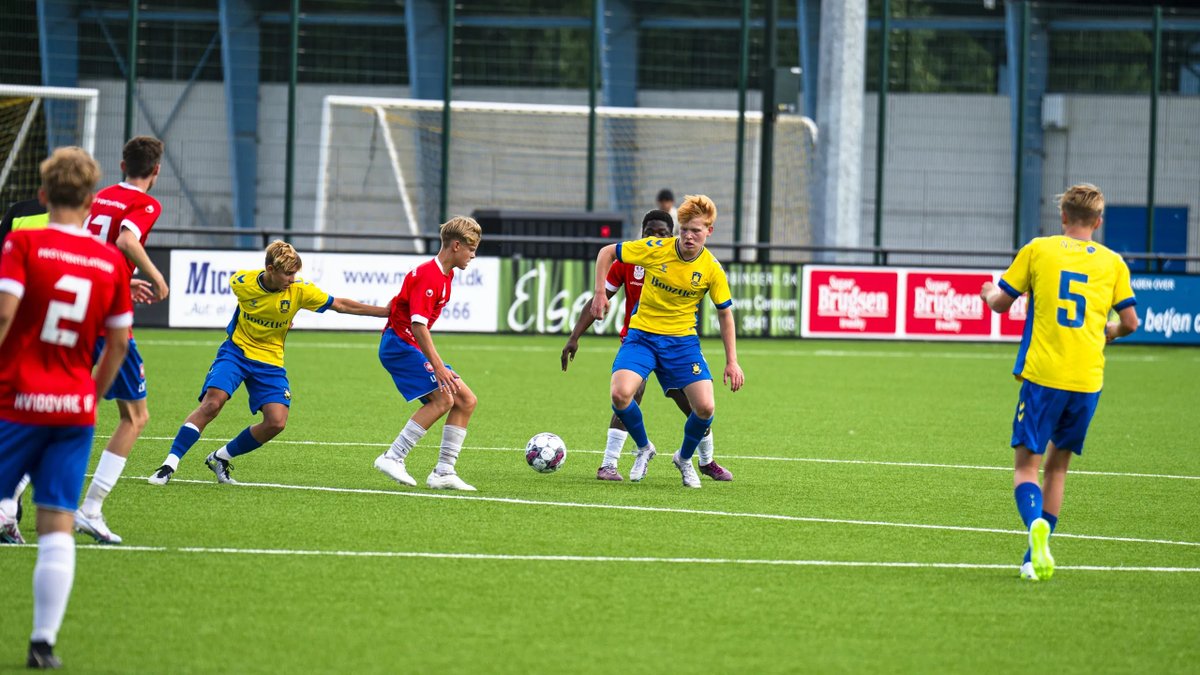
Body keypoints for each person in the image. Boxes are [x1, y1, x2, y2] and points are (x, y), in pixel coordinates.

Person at [0, 146, 133, 669]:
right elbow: (118, 345)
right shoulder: (108, 261)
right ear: (92, 199)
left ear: (41, 194)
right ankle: (42, 643)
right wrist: (89, 395)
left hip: (16, 400)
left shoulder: (22, 243)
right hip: (73, 408)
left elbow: (5, 315)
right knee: (56, 521)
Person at [980, 183, 1139, 582]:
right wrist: (1111, 331)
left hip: (1043, 376)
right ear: (1098, 222)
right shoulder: (1113, 262)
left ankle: (1034, 526)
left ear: (1063, 217)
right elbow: (1132, 323)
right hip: (1087, 381)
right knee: (1058, 469)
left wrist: (986, 292)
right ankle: (1033, 557)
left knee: (1025, 468)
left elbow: (1001, 303)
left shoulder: (1039, 249)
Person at [148, 240, 389, 485]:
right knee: (212, 404)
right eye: (288, 273)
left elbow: (340, 305)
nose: (293, 279)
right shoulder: (242, 283)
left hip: (270, 361)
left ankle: (220, 458)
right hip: (236, 353)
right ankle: (169, 465)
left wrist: (385, 312)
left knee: (276, 422)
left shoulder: (300, 290)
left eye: (296, 273)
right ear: (270, 269)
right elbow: (245, 308)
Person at [563, 209, 732, 482]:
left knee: (697, 406)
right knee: (626, 394)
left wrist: (732, 360)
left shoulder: (704, 265)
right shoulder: (637, 257)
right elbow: (600, 297)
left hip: (678, 342)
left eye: (660, 233)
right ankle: (611, 462)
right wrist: (575, 336)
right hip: (639, 336)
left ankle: (704, 459)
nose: (654, 237)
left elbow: (725, 312)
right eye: (649, 232)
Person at [72, 136, 170, 544]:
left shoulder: (102, 197)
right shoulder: (146, 204)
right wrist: (155, 274)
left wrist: (122, 277)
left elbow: (89, 245)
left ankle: (8, 504)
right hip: (107, 317)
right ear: (156, 170)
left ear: (121, 163)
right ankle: (91, 508)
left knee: (60, 403)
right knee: (135, 416)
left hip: (79, 306)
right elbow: (127, 240)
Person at [374, 217, 483, 491]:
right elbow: (418, 324)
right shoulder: (430, 275)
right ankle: (392, 457)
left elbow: (404, 306)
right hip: (400, 345)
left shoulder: (446, 275)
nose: (473, 255)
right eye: (471, 248)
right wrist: (439, 367)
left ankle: (444, 471)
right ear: (456, 245)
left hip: (405, 343)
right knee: (444, 398)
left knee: (466, 400)